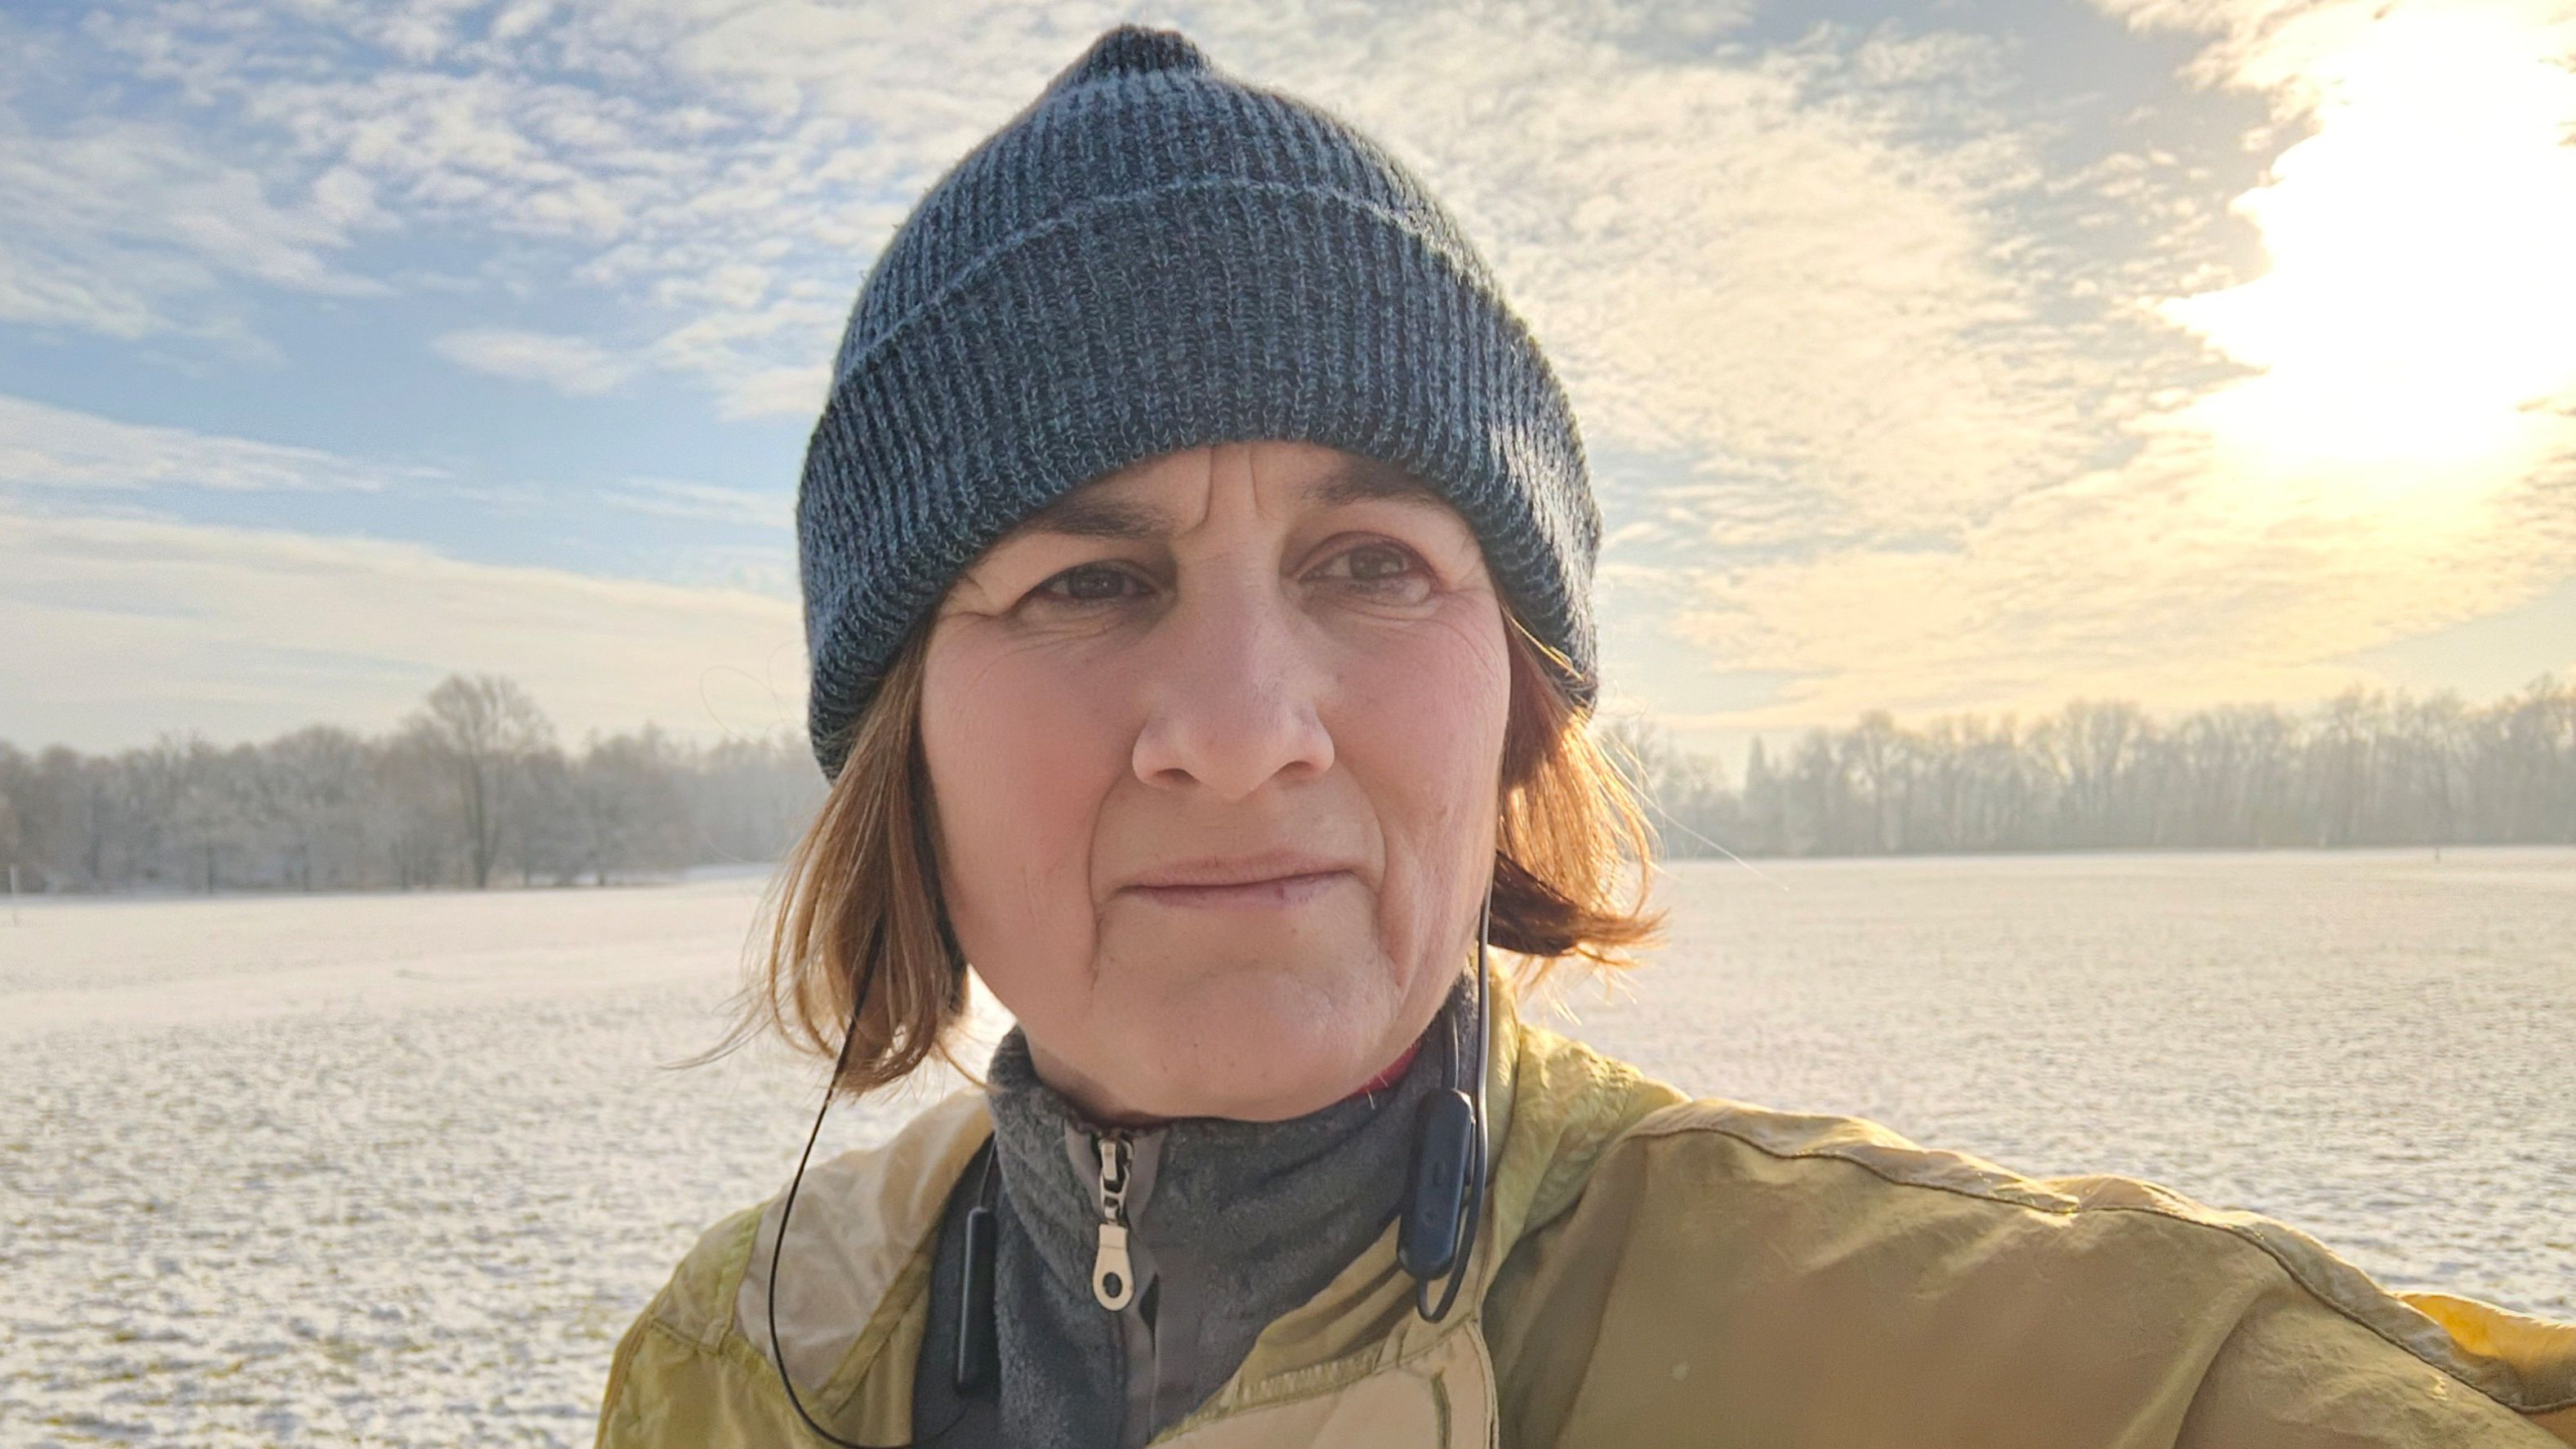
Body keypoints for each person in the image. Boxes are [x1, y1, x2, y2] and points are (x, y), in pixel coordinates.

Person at [595, 25, 2575, 1449]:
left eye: (1367, 561)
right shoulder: (732, 1370)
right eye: (1081, 584)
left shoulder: (2010, 1364)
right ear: (897, 741)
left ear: (1519, 690)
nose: (1235, 728)